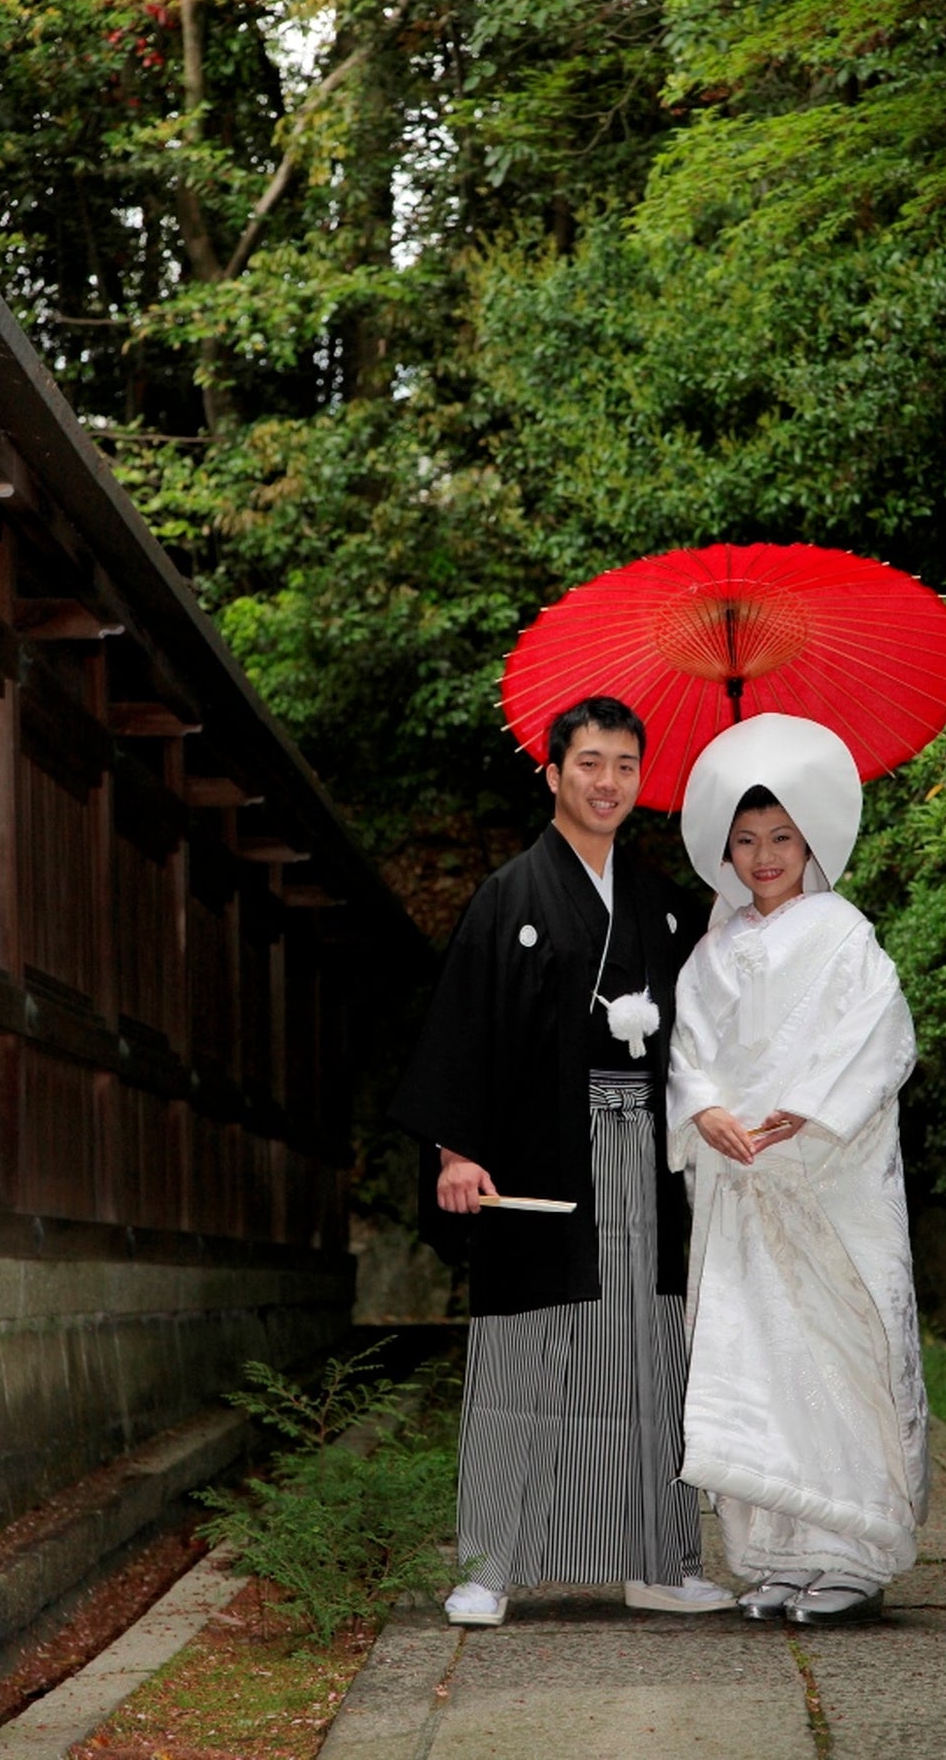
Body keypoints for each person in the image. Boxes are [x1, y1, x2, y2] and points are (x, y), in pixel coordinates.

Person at [391, 696, 735, 1626]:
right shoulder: (509, 897)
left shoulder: (665, 909)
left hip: (646, 1161)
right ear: (552, 773)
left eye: (625, 765)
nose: (607, 782)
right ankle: (492, 1566)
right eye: (590, 762)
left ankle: (658, 1558)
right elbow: (464, 1025)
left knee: (647, 1350)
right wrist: (457, 1149)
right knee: (525, 1356)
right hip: (542, 1156)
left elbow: (710, 1035)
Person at [667, 713, 930, 1628]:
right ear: (726, 852)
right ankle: (774, 1553)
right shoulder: (709, 953)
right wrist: (704, 1109)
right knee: (754, 1359)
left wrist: (809, 1114)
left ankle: (853, 1550)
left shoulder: (845, 935)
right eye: (746, 840)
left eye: (781, 836)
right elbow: (688, 1049)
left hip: (825, 1185)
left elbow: (880, 1036)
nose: (765, 854)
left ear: (809, 840)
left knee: (835, 1353)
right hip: (741, 1189)